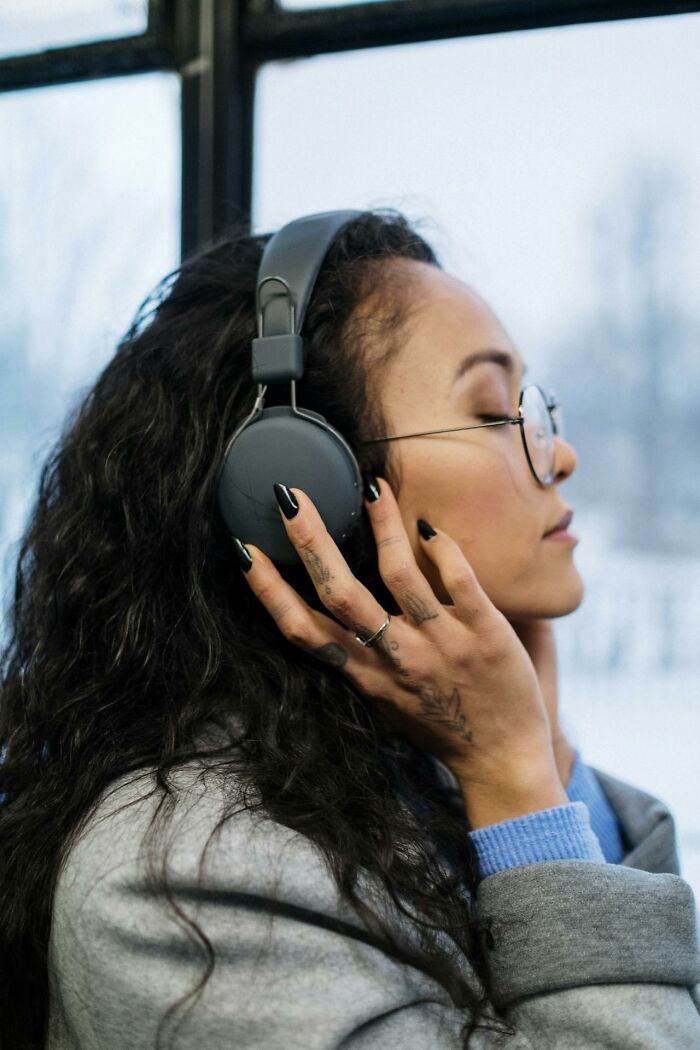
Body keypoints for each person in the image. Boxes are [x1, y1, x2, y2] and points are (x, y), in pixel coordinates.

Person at [0, 209, 698, 1050]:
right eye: (490, 411)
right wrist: (517, 780)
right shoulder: (180, 876)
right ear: (303, 483)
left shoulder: (423, 753)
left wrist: (544, 761)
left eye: (534, 405)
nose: (562, 454)